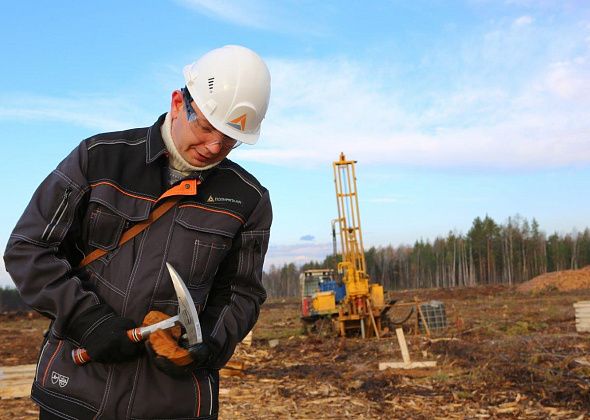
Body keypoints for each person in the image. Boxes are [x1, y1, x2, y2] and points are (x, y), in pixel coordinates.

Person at [4, 45, 272, 419]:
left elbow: (241, 293)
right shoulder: (99, 158)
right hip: (77, 390)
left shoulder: (248, 199)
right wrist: (87, 319)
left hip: (172, 405)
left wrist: (208, 344)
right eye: (207, 127)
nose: (214, 147)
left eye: (229, 139)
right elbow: (27, 249)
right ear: (179, 102)